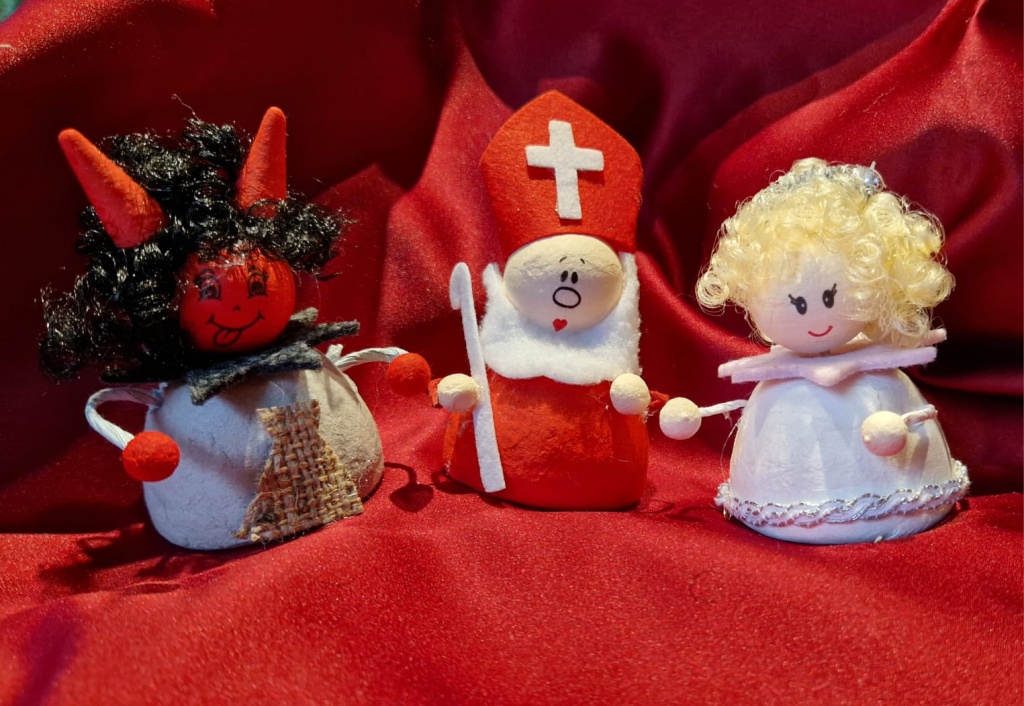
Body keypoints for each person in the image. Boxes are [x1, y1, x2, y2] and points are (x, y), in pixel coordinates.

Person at [41, 108, 399, 549]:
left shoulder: (305, 369)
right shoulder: (184, 406)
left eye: (257, 284)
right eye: (209, 290)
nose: (239, 305)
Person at [662, 158, 969, 544]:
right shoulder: (774, 393)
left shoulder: (883, 382)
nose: (815, 318)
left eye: (829, 297)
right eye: (797, 304)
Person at [436, 91, 662, 510]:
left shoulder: (608, 359)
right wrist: (457, 391)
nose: (569, 280)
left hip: (605, 489)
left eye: (585, 272)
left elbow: (643, 403)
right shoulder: (504, 353)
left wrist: (640, 398)